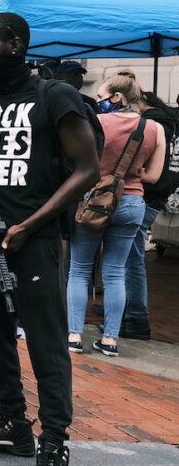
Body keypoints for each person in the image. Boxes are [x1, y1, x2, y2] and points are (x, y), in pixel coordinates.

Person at [0, 12, 100, 466]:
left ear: (14, 44)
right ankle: (13, 422)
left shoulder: (54, 95)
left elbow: (87, 169)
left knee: (46, 343)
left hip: (32, 240)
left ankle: (54, 444)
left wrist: (32, 224)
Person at [66, 71, 164, 356]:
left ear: (117, 97)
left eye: (101, 97)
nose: (98, 102)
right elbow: (154, 176)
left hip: (94, 201)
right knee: (115, 273)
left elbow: (77, 163)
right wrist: (136, 173)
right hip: (132, 202)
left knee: (80, 270)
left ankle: (74, 335)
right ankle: (110, 339)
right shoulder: (154, 128)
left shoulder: (96, 122)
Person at [123, 91, 179, 340]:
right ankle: (130, 312)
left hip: (145, 193)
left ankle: (136, 318)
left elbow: (146, 165)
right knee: (130, 258)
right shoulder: (173, 123)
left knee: (130, 260)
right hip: (160, 194)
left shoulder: (153, 124)